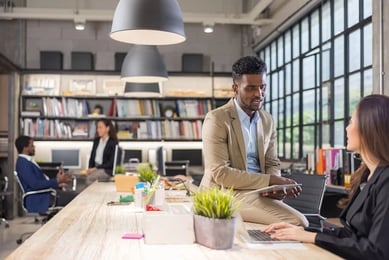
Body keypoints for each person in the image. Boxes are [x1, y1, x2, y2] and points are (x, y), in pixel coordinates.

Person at [263, 94, 389, 259]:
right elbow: (350, 235)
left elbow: (376, 252)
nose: (347, 128)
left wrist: (312, 237)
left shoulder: (386, 181)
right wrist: (304, 232)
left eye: (352, 121)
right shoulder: (367, 175)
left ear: (369, 128)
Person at [200, 56, 307, 226]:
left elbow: (272, 162)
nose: (259, 94)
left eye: (262, 87)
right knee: (297, 222)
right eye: (250, 88)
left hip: (258, 192)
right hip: (224, 193)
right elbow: (221, 174)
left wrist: (275, 188)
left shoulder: (267, 120)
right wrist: (270, 181)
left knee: (296, 221)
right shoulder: (217, 119)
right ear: (235, 88)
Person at [15, 135, 77, 213]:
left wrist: (58, 184)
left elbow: (40, 182)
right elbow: (35, 185)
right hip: (40, 199)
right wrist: (57, 180)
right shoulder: (23, 163)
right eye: (32, 146)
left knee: (77, 195)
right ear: (25, 148)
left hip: (45, 195)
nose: (34, 147)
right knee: (78, 197)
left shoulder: (27, 161)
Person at [86, 119, 118, 185]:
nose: (98, 130)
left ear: (107, 128)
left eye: (100, 127)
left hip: (106, 169)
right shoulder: (96, 141)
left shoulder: (113, 143)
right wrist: (90, 169)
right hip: (95, 168)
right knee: (86, 176)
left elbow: (111, 163)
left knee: (90, 178)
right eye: (97, 127)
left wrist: (96, 168)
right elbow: (92, 157)